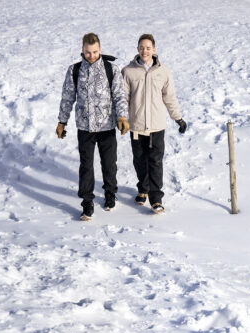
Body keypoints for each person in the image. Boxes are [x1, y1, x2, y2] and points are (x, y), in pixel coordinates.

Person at [56, 33, 130, 221]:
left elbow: (120, 96)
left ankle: (110, 193)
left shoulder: (110, 69)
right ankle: (87, 202)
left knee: (109, 164)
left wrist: (122, 116)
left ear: (100, 49)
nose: (91, 55)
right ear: (82, 50)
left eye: (95, 52)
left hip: (107, 126)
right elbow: (67, 98)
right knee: (86, 166)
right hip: (84, 127)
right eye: (88, 52)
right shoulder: (74, 70)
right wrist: (62, 121)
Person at [121, 33, 186, 215]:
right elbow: (123, 98)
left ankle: (156, 199)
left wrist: (178, 118)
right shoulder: (128, 71)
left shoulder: (163, 71)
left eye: (148, 47)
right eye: (142, 47)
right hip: (137, 125)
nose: (145, 51)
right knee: (140, 161)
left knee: (155, 162)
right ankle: (143, 189)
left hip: (157, 125)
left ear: (154, 49)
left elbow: (169, 97)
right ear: (137, 49)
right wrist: (122, 119)